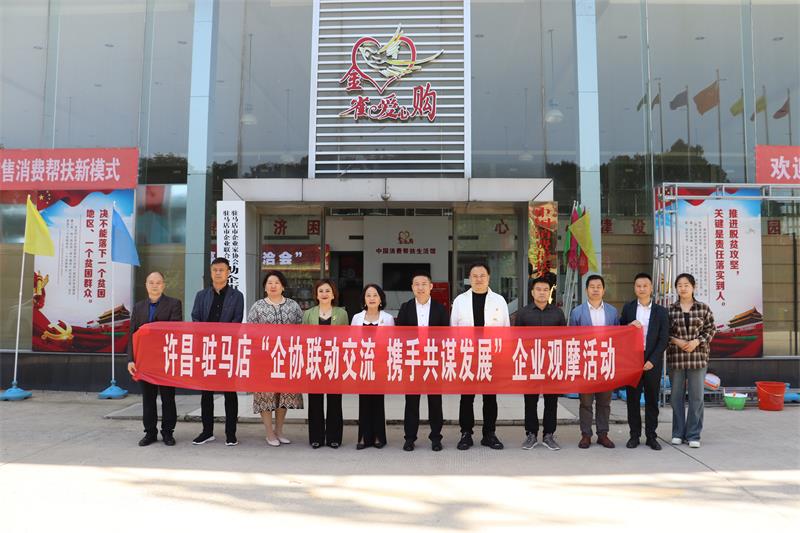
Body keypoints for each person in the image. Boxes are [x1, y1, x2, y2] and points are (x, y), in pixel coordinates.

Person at [450, 262, 510, 451]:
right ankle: (466, 433)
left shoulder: (499, 300)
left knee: (490, 397)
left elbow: (506, 329)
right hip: (467, 355)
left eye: (482, 275)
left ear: (489, 277)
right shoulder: (460, 301)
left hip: (491, 355)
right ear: (469, 278)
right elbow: (453, 329)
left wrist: (503, 356)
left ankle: (489, 434)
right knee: (466, 397)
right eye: (475, 276)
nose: (478, 279)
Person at [190, 257, 244, 446]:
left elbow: (237, 322)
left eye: (222, 270)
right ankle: (207, 431)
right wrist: (208, 336)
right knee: (206, 393)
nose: (218, 273)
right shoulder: (201, 295)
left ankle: (231, 433)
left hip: (228, 350)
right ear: (211, 272)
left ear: (228, 272)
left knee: (230, 392)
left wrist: (220, 336)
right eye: (215, 270)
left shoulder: (237, 296)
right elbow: (195, 318)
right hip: (206, 349)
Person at [247, 270, 304, 447]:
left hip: (286, 358)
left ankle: (279, 431)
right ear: (265, 287)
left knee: (283, 395)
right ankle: (269, 433)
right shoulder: (257, 306)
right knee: (265, 395)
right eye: (269, 283)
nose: (273, 286)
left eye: (277, 283)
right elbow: (250, 332)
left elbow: (301, 330)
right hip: (264, 359)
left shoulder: (293, 306)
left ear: (283, 287)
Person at [127, 271, 183, 446]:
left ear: (163, 285)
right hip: (144, 360)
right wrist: (131, 359)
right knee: (148, 399)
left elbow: (175, 330)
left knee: (168, 398)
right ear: (146, 285)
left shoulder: (174, 304)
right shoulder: (138, 307)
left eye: (158, 282)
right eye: (151, 282)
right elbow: (132, 334)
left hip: (165, 358)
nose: (154, 285)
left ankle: (168, 433)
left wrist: (150, 330)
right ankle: (150, 433)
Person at [396, 272, 449, 452]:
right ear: (412, 288)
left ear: (431, 286)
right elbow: (399, 334)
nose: (420, 287)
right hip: (412, 361)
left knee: (435, 401)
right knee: (411, 401)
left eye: (424, 284)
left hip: (433, 360)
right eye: (416, 284)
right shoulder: (406, 307)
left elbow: (446, 335)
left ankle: (436, 437)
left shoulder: (440, 309)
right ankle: (410, 438)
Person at [515, 276, 566, 452]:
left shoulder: (558, 313)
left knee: (552, 401)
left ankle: (549, 435)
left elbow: (564, 339)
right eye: (538, 289)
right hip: (531, 364)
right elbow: (516, 339)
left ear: (550, 292)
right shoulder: (523, 313)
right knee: (530, 401)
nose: (542, 293)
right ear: (532, 292)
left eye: (545, 289)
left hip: (552, 363)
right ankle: (531, 434)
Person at [620, 272, 670, 451]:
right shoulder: (628, 308)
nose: (641, 289)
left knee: (652, 400)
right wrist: (628, 326)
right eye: (638, 286)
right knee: (632, 400)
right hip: (632, 362)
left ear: (651, 288)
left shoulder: (661, 311)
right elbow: (619, 331)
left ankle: (651, 436)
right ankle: (634, 436)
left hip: (652, 362)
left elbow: (664, 339)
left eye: (645, 286)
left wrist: (653, 360)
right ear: (634, 288)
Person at [569, 274, 619, 449]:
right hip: (585, 363)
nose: (595, 290)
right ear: (586, 290)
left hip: (605, 362)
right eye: (592, 287)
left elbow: (618, 337)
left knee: (604, 401)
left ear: (603, 290)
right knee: (586, 402)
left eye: (599, 287)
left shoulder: (612, 312)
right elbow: (571, 339)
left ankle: (603, 434)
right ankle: (586, 435)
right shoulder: (577, 312)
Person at [667, 273, 716, 449]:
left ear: (694, 287)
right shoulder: (670, 310)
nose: (683, 288)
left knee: (696, 397)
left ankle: (693, 434)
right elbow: (664, 332)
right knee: (676, 397)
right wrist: (676, 341)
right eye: (679, 285)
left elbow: (711, 329)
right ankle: (678, 433)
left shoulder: (703, 308)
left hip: (698, 358)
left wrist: (697, 341)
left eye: (686, 285)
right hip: (677, 358)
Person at [302, 279, 349, 449]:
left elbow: (346, 338)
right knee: (315, 401)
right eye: (321, 291)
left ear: (333, 294)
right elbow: (303, 338)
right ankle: (316, 437)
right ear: (316, 295)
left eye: (328, 291)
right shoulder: (309, 314)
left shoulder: (341, 314)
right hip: (314, 361)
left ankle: (334, 437)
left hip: (334, 361)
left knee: (334, 401)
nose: (324, 294)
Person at [351, 283, 394, 450]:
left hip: (380, 365)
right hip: (362, 364)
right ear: (364, 299)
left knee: (377, 401)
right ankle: (363, 437)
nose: (371, 298)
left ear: (381, 299)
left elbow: (392, 343)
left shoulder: (388, 319)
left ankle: (378, 436)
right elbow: (352, 341)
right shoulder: (357, 318)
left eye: (375, 295)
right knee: (364, 401)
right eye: (368, 295)